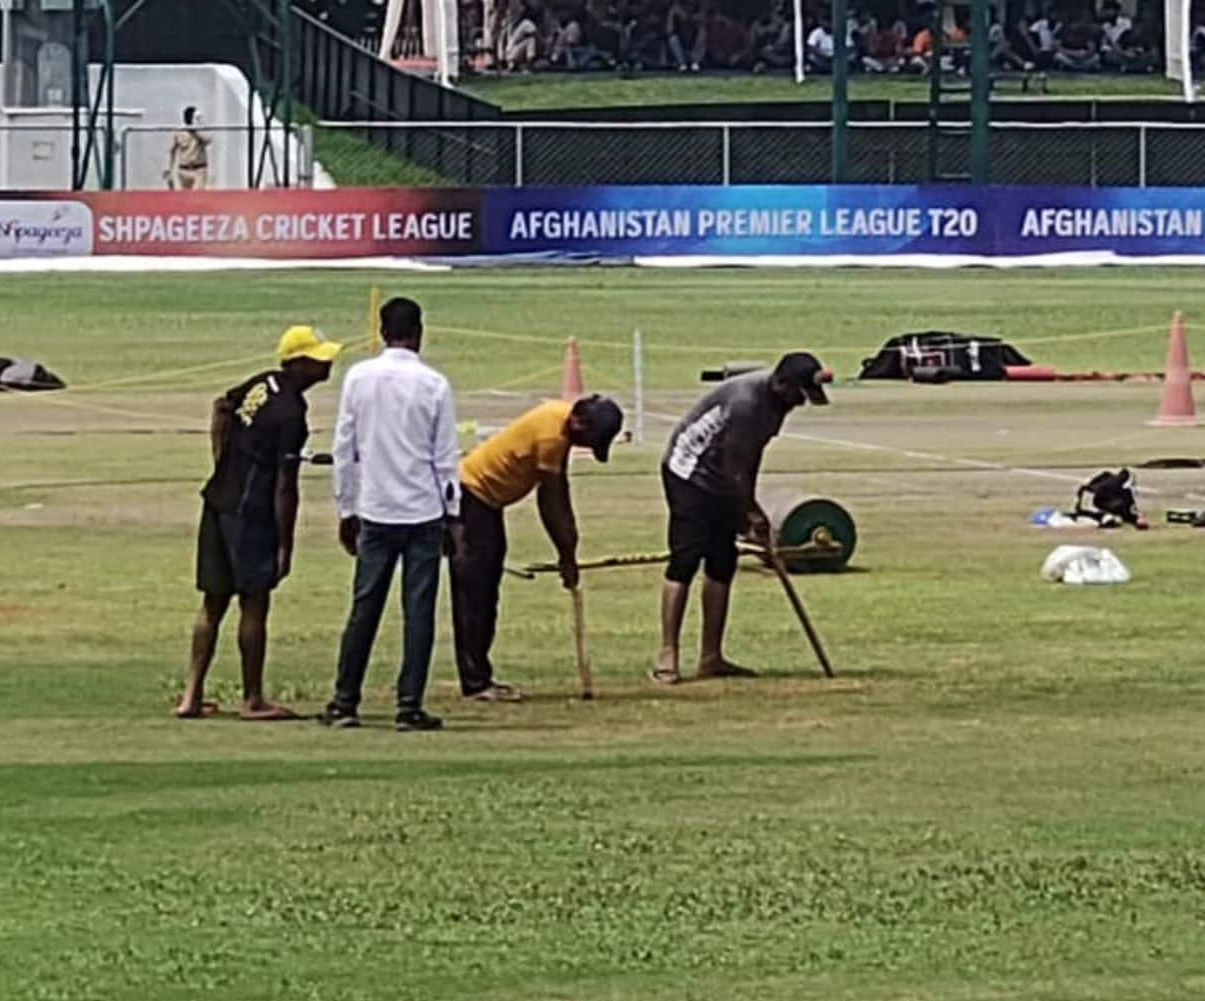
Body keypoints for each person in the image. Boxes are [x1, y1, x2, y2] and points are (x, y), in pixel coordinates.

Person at [176, 325, 342, 721]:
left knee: (213, 602)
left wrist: (222, 460)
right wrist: (285, 544)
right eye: (319, 359)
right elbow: (286, 485)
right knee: (254, 602)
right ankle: (252, 698)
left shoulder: (261, 383)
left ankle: (191, 695)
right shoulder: (291, 413)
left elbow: (221, 407)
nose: (328, 365)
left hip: (219, 497)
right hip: (250, 512)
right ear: (297, 362)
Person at [652, 353, 832, 685]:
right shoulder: (747, 402)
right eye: (799, 395)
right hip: (688, 470)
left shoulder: (778, 404)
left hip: (723, 474)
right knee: (686, 559)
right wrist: (750, 513)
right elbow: (733, 467)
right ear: (782, 384)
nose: (800, 404)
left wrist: (751, 514)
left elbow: (751, 456)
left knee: (722, 561)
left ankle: (711, 657)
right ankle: (668, 654)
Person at [327, 297, 461, 732]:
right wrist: (452, 515)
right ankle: (409, 704)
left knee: (364, 606)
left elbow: (345, 449)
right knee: (418, 610)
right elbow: (445, 459)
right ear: (419, 332)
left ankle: (345, 700)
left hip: (375, 509)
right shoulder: (434, 384)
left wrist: (346, 507)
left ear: (382, 332)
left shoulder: (358, 378)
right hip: (422, 511)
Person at [449, 394, 625, 702]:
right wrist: (566, 556)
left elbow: (560, 492)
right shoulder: (551, 435)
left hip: (485, 503)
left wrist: (568, 550)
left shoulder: (560, 420)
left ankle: (477, 675)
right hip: (471, 499)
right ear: (578, 422)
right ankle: (475, 681)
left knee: (485, 589)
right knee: (476, 591)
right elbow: (552, 503)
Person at [168, 107, 209, 190]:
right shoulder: (179, 132)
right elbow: (172, 151)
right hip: (184, 171)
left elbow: (207, 140)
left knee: (197, 197)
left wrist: (196, 131)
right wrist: (170, 170)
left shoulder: (201, 130)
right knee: (185, 199)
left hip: (199, 170)